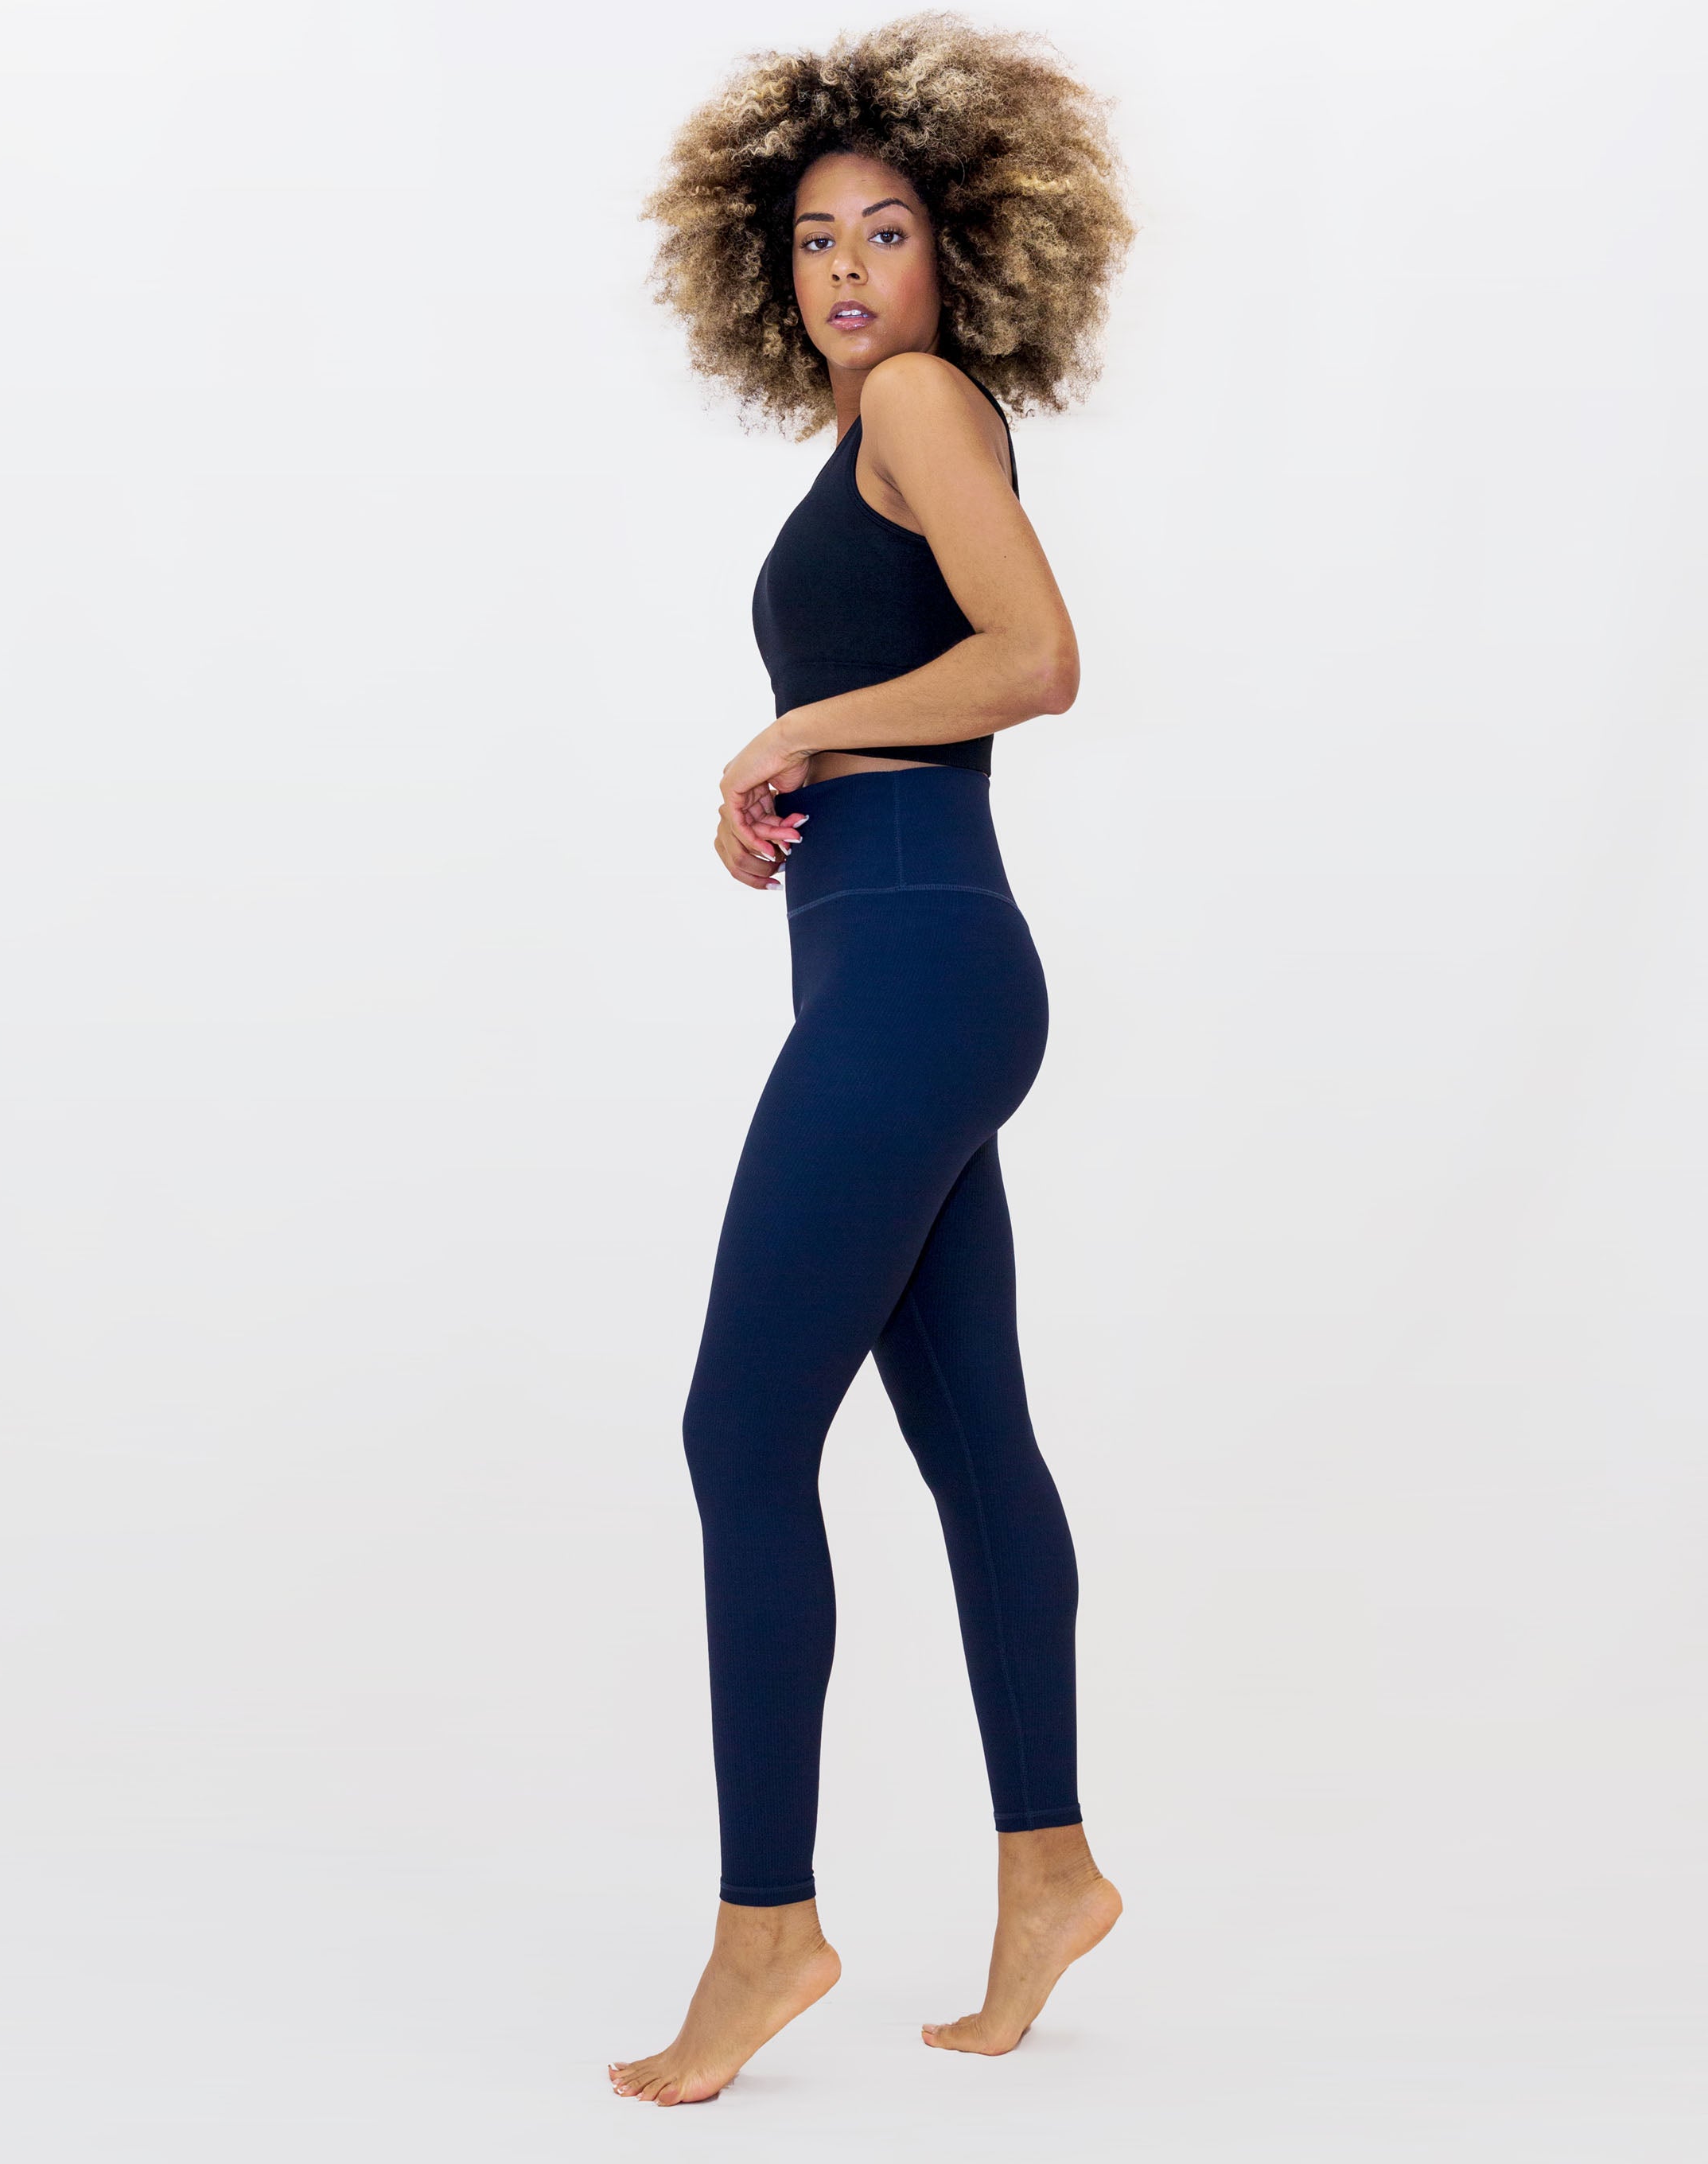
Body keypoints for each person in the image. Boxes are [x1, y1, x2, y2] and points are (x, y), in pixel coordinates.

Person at [609, 13, 1136, 2106]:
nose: (848, 269)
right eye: (816, 237)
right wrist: (776, 800)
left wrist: (794, 729)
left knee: (741, 1435)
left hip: (920, 978)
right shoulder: (871, 437)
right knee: (972, 1438)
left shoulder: (920, 402)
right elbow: (918, 685)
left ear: (961, 246)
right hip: (899, 963)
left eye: (888, 229)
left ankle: (767, 1931)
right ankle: (1051, 1871)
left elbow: (1038, 658)